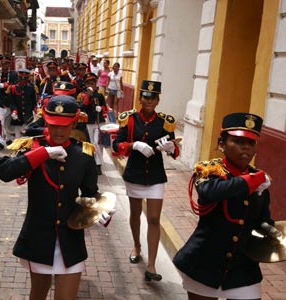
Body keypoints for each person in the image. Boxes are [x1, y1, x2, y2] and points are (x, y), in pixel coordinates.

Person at [0, 95, 115, 300]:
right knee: (38, 295)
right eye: (53, 125)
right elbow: (5, 172)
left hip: (71, 239)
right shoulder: (33, 147)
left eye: (65, 125)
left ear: (74, 123)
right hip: (38, 237)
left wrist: (101, 210)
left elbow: (90, 194)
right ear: (46, 121)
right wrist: (44, 153)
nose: (59, 131)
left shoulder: (84, 154)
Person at [173, 112, 275, 300]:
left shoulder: (260, 181)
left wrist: (272, 231)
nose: (245, 147)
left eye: (251, 143)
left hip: (243, 270)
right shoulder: (207, 170)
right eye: (237, 141)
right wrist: (253, 179)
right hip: (203, 264)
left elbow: (262, 220)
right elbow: (211, 192)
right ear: (222, 145)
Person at [112, 80, 179, 282]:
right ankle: (136, 246)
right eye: (146, 97)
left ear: (158, 100)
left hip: (156, 176)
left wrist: (171, 148)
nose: (149, 101)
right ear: (140, 98)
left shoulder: (165, 122)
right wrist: (134, 145)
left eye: (153, 98)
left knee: (154, 219)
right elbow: (116, 144)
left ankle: (151, 265)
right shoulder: (129, 120)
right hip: (135, 174)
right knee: (134, 213)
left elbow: (175, 149)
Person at [79, 72, 108, 175]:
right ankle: (91, 163)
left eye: (92, 83)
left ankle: (98, 164)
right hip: (89, 122)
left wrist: (102, 111)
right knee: (90, 143)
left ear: (96, 84)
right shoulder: (83, 95)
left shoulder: (99, 95)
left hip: (99, 122)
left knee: (98, 143)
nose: (90, 85)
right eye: (88, 84)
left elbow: (105, 108)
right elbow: (82, 107)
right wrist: (88, 96)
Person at [0, 55, 18, 149]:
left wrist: (6, 85)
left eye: (6, 63)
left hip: (10, 102)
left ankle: (9, 139)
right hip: (0, 102)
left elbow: (16, 85)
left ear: (9, 64)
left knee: (8, 122)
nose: (4, 65)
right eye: (2, 63)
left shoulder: (13, 74)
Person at [8, 69, 37, 139]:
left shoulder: (31, 87)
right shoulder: (13, 88)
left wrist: (35, 110)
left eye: (25, 79)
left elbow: (33, 101)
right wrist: (14, 111)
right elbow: (12, 102)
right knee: (18, 137)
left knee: (28, 137)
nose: (23, 81)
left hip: (28, 116)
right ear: (19, 78)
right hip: (18, 117)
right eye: (21, 79)